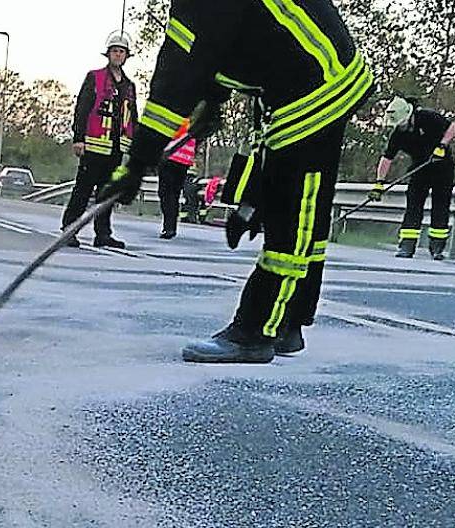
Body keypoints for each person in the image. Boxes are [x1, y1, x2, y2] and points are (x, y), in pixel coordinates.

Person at [102, 0, 374, 363]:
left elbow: (178, 76)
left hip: (315, 85)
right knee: (296, 204)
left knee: (291, 209)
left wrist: (135, 165)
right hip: (301, 79)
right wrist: (212, 100)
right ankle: (290, 323)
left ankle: (254, 331)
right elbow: (224, 41)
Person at [61, 31, 138, 249]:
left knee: (107, 194)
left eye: (121, 51)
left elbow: (133, 117)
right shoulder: (95, 77)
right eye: (114, 51)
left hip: (115, 148)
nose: (118, 55)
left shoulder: (129, 86)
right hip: (93, 145)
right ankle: (69, 229)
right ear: (108, 54)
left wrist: (136, 145)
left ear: (126, 56)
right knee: (83, 191)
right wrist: (78, 138)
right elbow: (82, 108)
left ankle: (103, 234)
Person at [369, 96, 455, 260]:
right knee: (413, 204)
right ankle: (407, 245)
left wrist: (442, 145)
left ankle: (437, 248)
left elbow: (452, 127)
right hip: (419, 167)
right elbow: (387, 158)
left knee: (440, 205)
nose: (400, 127)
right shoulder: (398, 133)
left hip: (442, 166)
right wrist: (379, 183)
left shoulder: (427, 117)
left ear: (409, 115)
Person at [157, 138, 197, 239]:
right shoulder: (193, 123)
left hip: (170, 156)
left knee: (166, 194)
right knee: (174, 194)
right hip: (185, 159)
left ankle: (169, 227)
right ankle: (171, 226)